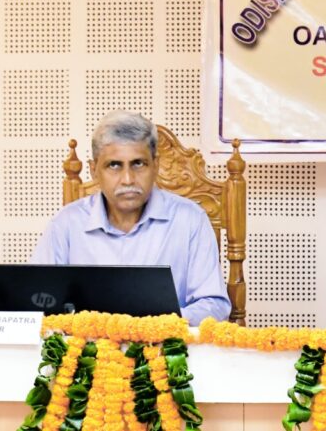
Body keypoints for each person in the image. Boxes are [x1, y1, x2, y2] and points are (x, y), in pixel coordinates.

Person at [31, 111, 231, 325]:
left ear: (155, 165)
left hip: (164, 342)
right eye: (114, 165)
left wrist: (155, 326)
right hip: (86, 343)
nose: (128, 179)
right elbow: (35, 301)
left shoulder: (190, 220)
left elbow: (214, 305)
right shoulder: (66, 223)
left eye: (138, 164)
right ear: (94, 170)